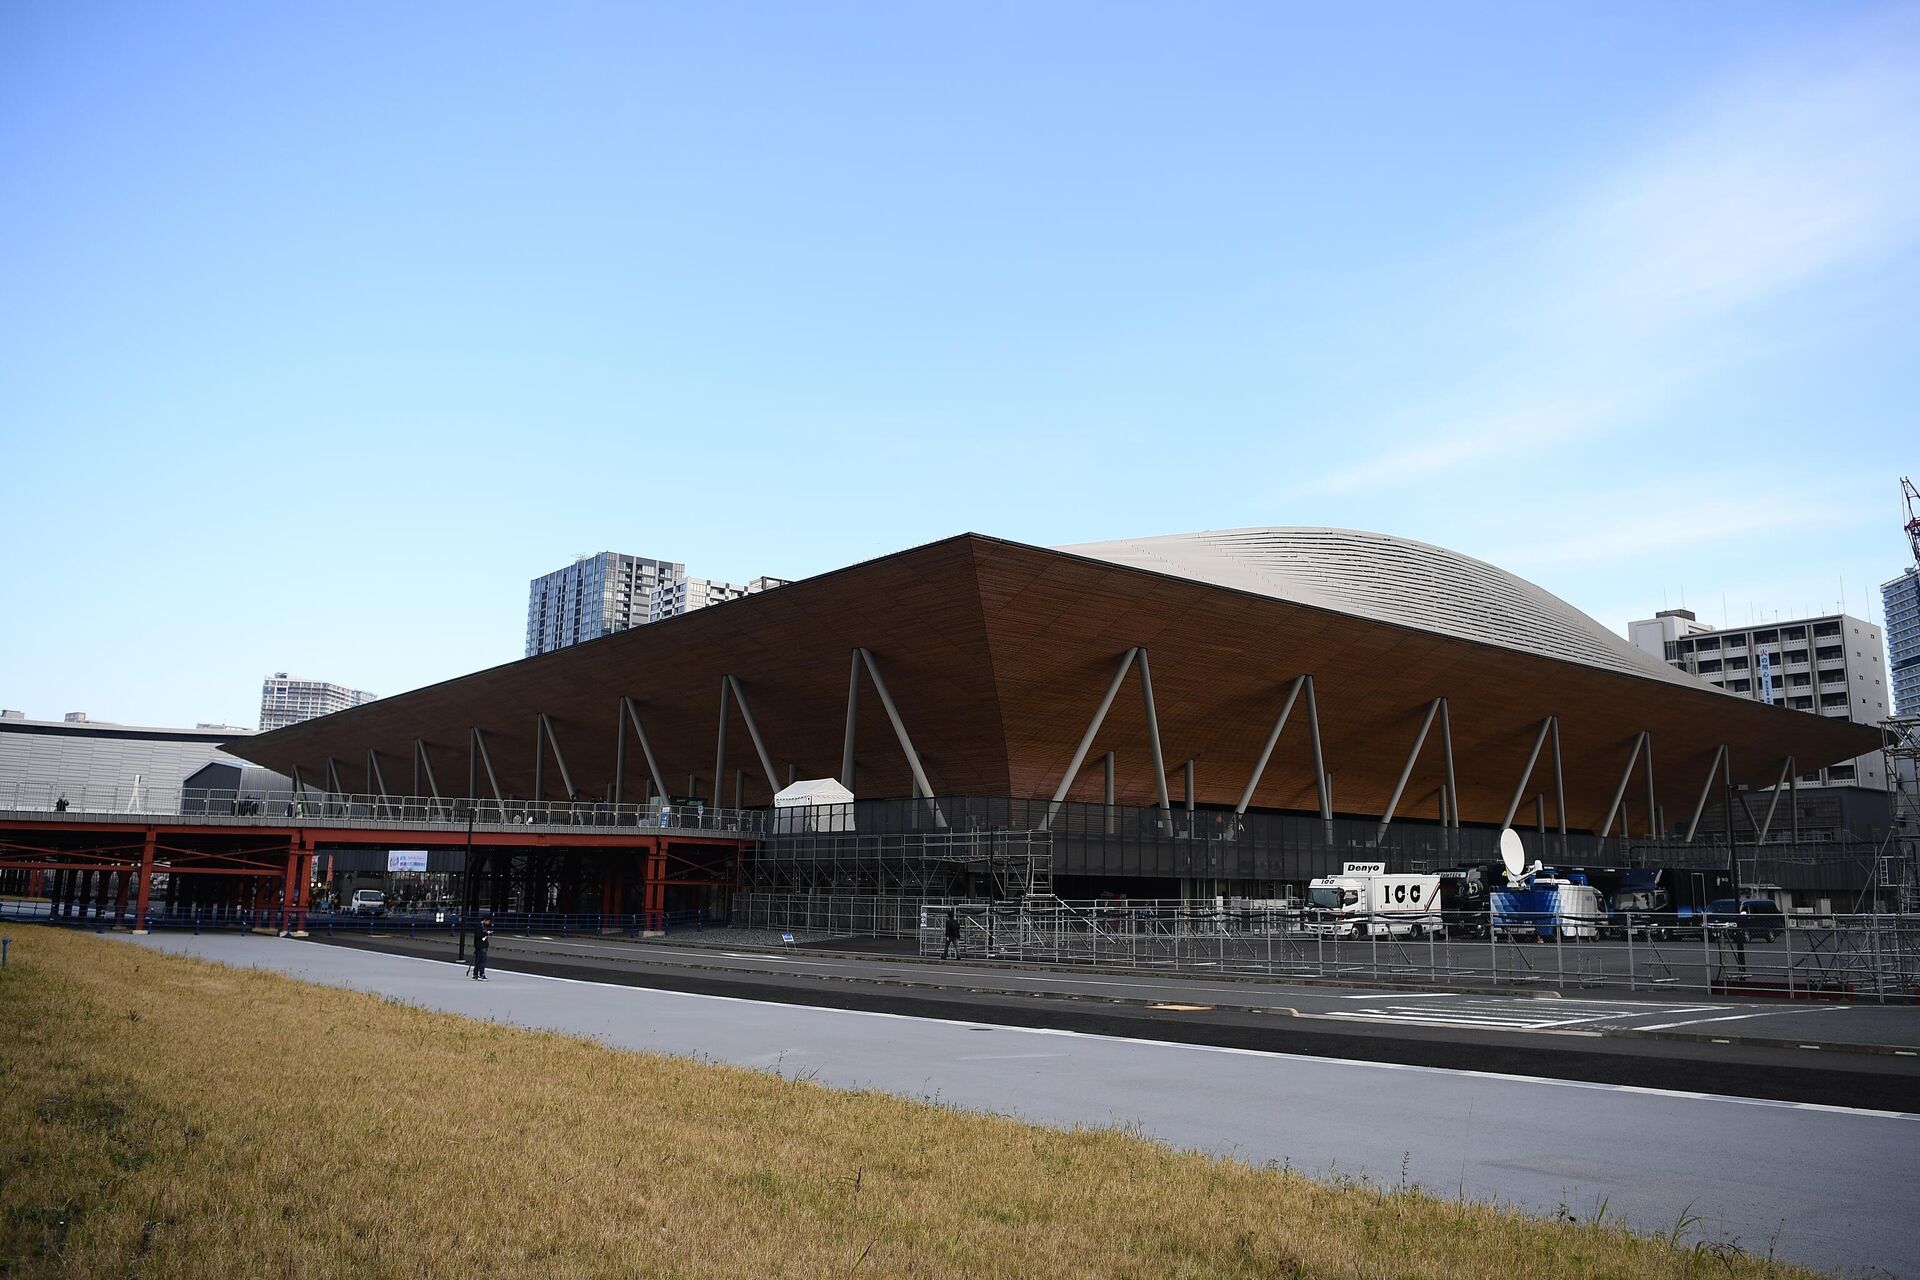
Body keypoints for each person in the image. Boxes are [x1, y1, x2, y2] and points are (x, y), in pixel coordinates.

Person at [471, 912, 494, 980]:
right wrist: (486, 933)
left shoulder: (483, 926)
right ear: (485, 920)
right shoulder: (479, 926)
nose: (489, 923)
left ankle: (475, 974)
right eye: (488, 921)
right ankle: (481, 974)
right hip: (481, 945)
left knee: (479, 960)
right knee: (482, 960)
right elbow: (478, 936)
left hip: (482, 945)